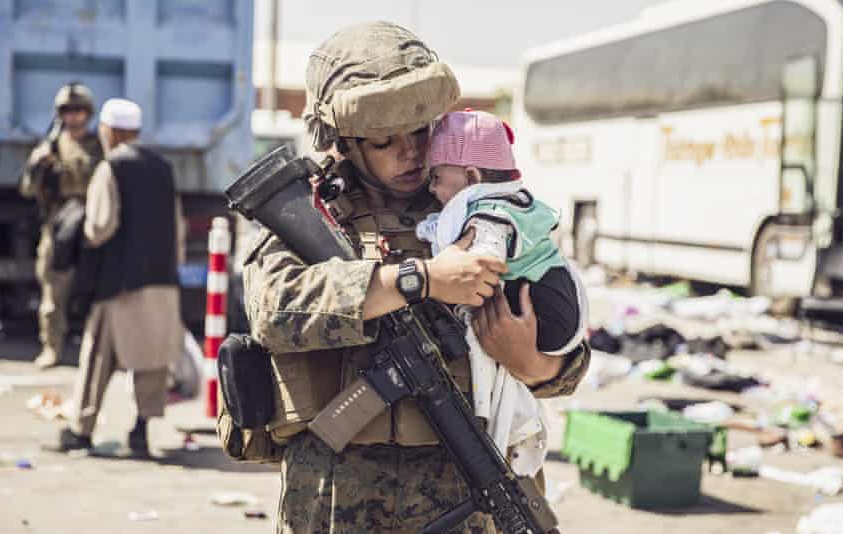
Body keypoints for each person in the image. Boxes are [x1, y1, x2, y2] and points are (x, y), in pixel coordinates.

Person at [242, 21, 590, 533]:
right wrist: (418, 279)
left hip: (465, 487)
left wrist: (532, 362)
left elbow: (567, 340)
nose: (411, 152)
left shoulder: (478, 209)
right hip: (338, 498)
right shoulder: (316, 211)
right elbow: (273, 310)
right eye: (385, 140)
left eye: (421, 131)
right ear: (346, 141)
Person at [417, 109, 589, 477]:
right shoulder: (490, 205)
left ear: (472, 177)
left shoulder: (491, 213)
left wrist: (440, 275)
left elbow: (485, 259)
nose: (431, 189)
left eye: (436, 178)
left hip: (544, 316)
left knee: (500, 407)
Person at [52, 98, 183, 456]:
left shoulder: (112, 167)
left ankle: (81, 429)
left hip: (121, 284)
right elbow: (177, 228)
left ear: (110, 131)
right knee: (152, 360)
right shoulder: (164, 168)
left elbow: (100, 227)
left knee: (98, 356)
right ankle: (141, 431)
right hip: (162, 281)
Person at [19, 83, 104, 369]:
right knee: (53, 289)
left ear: (88, 113)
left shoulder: (99, 146)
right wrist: (37, 165)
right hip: (59, 224)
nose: (74, 116)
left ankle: (97, 351)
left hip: (92, 222)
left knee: (97, 290)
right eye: (68, 110)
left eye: (79, 110)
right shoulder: (50, 146)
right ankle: (52, 347)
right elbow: (28, 189)